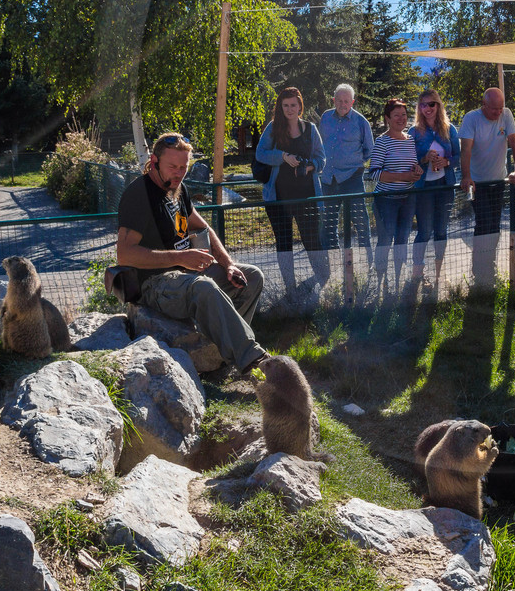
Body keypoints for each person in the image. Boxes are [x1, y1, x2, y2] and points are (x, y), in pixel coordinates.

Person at [116, 133, 268, 373]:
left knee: (251, 277)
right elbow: (124, 255)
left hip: (184, 276)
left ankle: (221, 355)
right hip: (154, 284)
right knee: (204, 288)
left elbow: (201, 226)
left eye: (184, 167)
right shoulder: (139, 196)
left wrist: (228, 264)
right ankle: (252, 359)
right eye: (172, 167)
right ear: (154, 162)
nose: (179, 173)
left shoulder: (178, 188)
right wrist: (181, 258)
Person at [255, 86, 330, 304]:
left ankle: (321, 282)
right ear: (280, 107)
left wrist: (310, 167)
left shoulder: (310, 129)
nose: (289, 109)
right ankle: (290, 290)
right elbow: (261, 154)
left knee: (312, 240)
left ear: (300, 106)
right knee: (284, 242)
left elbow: (322, 159)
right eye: (285, 105)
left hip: (307, 196)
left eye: (293, 105)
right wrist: (283, 156)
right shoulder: (273, 128)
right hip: (277, 197)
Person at [459, 87, 515, 288]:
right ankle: (480, 272)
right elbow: (466, 149)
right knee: (484, 223)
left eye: (500, 108)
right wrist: (467, 176)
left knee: (494, 225)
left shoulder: (506, 114)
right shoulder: (471, 118)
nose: (498, 112)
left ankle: (490, 266)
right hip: (478, 183)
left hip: (498, 180)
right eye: (494, 109)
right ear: (484, 105)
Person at [318, 83, 376, 269]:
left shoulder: (361, 122)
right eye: (339, 100)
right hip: (328, 179)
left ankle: (368, 263)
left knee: (361, 222)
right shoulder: (326, 117)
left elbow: (369, 151)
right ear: (333, 100)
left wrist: (353, 163)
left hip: (352, 179)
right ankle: (335, 266)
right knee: (328, 224)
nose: (343, 104)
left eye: (346, 101)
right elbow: (320, 145)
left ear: (352, 102)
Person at [368, 98, 423, 296]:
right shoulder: (382, 141)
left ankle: (399, 282)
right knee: (386, 238)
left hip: (408, 199)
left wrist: (416, 172)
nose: (401, 119)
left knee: (402, 238)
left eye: (404, 115)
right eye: (396, 115)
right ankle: (380, 282)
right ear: (387, 118)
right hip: (386, 200)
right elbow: (374, 173)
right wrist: (404, 177)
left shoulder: (410, 140)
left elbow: (413, 166)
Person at [411, 88, 462, 293]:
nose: (427, 109)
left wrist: (446, 161)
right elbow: (409, 160)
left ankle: (439, 275)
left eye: (431, 104)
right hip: (423, 188)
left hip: (444, 186)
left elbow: (459, 156)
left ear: (438, 105)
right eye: (423, 105)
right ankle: (417, 275)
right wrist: (425, 159)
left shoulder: (450, 130)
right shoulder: (414, 132)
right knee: (424, 231)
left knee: (441, 230)